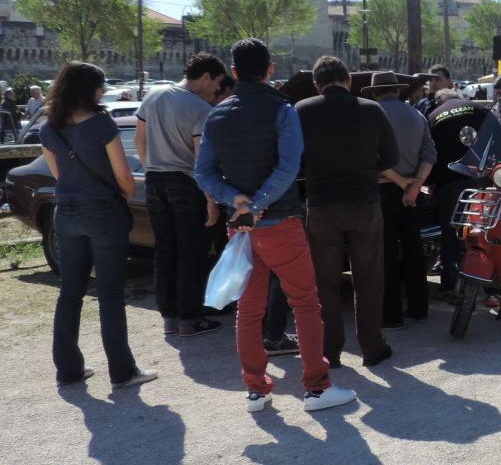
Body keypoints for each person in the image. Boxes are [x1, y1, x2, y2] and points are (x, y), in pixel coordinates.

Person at [194, 39, 354, 413]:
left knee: (248, 310)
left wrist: (236, 201)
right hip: (278, 221)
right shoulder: (282, 110)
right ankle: (316, 387)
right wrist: (258, 204)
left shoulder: (216, 115)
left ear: (232, 73)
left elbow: (203, 172)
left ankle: (256, 389)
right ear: (269, 69)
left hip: (242, 228)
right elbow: (288, 167)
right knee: (305, 304)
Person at [40, 62, 157, 390]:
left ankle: (68, 369)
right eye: (100, 85)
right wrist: (125, 192)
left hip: (67, 211)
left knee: (70, 290)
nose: (103, 91)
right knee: (109, 293)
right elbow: (123, 177)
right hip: (104, 212)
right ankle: (122, 371)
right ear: (88, 89)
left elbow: (58, 175)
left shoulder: (50, 127)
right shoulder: (101, 124)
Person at [295, 56, 399, 368]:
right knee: (368, 280)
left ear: (316, 83)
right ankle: (372, 347)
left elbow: (292, 161)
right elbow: (391, 157)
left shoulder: (300, 111)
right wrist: (366, 168)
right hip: (365, 203)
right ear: (349, 80)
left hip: (322, 205)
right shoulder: (371, 110)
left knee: (325, 284)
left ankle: (330, 351)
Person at [135, 53, 228, 338]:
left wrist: (151, 167)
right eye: (217, 84)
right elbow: (202, 162)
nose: (217, 91)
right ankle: (190, 317)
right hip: (186, 184)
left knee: (165, 251)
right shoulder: (201, 109)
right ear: (205, 77)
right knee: (191, 253)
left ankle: (170, 317)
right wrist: (211, 201)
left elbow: (140, 139)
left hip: (154, 180)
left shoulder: (153, 95)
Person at [364, 72, 437, 329]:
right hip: (413, 193)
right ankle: (419, 308)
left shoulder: (371, 115)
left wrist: (401, 182)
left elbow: (372, 157)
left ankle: (391, 315)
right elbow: (430, 154)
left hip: (383, 191)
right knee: (414, 248)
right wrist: (414, 184)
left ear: (374, 93)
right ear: (397, 90)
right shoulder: (417, 115)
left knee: (384, 253)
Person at [428, 89, 489, 300]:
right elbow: (500, 139)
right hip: (480, 181)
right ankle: (487, 280)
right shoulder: (480, 108)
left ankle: (450, 283)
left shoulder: (434, 116)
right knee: (483, 230)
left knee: (451, 234)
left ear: (439, 101)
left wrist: (431, 183)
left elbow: (430, 154)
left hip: (449, 184)